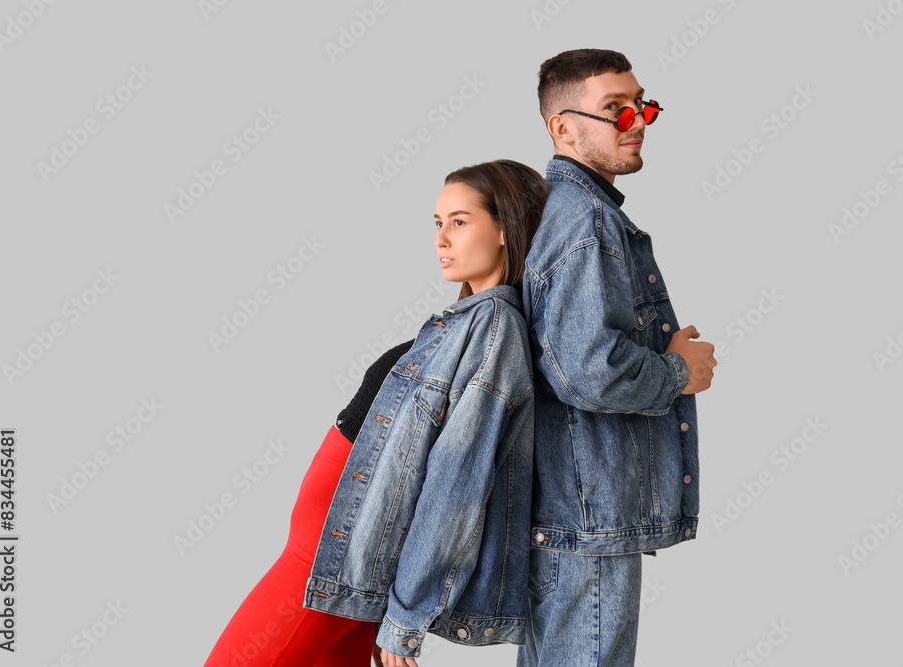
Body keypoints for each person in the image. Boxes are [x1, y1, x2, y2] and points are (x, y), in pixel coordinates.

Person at [203, 159, 546, 667]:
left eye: (459, 221)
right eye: (437, 223)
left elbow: (457, 484)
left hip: (336, 557)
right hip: (343, 555)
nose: (441, 239)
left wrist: (407, 620)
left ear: (505, 229)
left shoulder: (495, 327)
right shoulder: (468, 322)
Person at [517, 49, 718, 667]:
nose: (635, 120)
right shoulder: (583, 219)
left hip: (576, 515)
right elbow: (587, 369)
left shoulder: (569, 212)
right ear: (563, 127)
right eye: (615, 109)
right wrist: (680, 371)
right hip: (588, 522)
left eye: (642, 106)